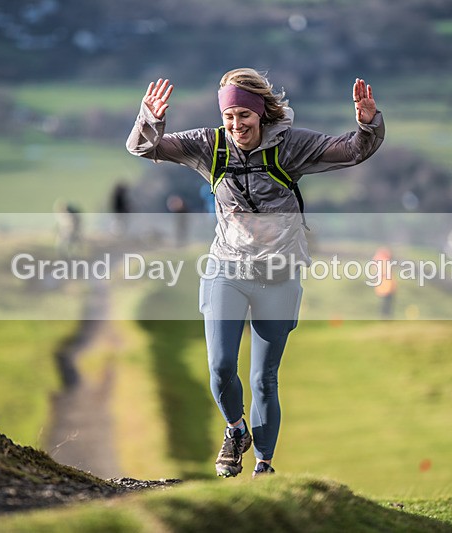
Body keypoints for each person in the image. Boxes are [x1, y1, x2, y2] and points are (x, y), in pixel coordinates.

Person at [126, 68, 384, 478]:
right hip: (226, 267)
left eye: (243, 116)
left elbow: (353, 150)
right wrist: (150, 119)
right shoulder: (210, 146)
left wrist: (367, 122)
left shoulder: (291, 147)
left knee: (264, 377)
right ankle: (235, 430)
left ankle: (264, 466)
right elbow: (143, 148)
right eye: (229, 117)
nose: (236, 125)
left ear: (261, 113)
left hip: (279, 275)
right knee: (220, 366)